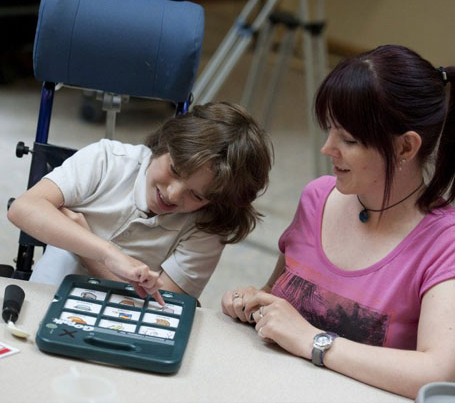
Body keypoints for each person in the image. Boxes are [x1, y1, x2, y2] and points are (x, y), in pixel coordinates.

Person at [221, 45, 455, 399]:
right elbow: (277, 297)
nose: (327, 148)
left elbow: (438, 373)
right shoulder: (318, 197)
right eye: (330, 130)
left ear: (406, 148)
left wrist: (313, 341)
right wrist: (251, 302)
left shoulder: (445, 241)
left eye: (348, 139)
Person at [8, 102, 273, 303]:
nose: (172, 194)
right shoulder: (107, 160)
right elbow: (23, 208)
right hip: (44, 300)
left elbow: (164, 303)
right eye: (175, 169)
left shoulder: (209, 224)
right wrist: (109, 253)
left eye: (197, 195)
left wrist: (88, 250)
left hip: (125, 329)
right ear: (168, 142)